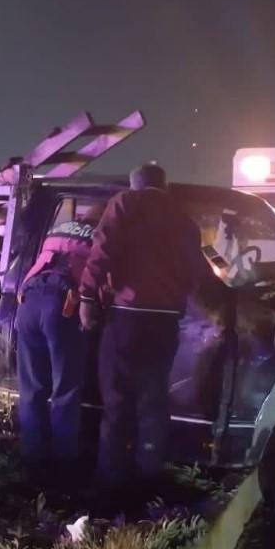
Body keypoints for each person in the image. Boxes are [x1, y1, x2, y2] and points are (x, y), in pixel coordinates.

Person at [79, 163, 204, 498]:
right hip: (164, 321)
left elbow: (102, 250)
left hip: (126, 316)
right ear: (164, 185)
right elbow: (197, 271)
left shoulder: (125, 203)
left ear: (134, 185)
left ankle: (112, 480)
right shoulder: (182, 217)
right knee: (153, 402)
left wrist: (87, 297)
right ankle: (148, 478)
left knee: (117, 401)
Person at [15, 200, 103, 471]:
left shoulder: (59, 229)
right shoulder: (99, 236)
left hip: (28, 302)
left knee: (32, 388)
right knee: (65, 389)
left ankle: (33, 457)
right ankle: (64, 462)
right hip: (63, 305)